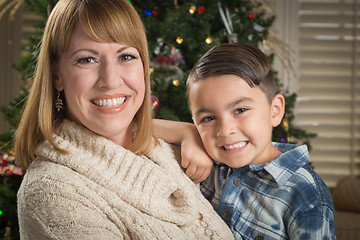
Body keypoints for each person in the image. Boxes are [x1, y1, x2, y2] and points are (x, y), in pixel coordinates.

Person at [14, 0, 235, 239]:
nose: (110, 80)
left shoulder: (166, 152)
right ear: (57, 75)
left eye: (126, 56)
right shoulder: (53, 192)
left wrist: (187, 131)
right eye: (87, 59)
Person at [156, 43, 336, 240]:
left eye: (240, 110)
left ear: (274, 110)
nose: (225, 130)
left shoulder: (305, 193)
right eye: (208, 118)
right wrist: (186, 132)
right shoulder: (203, 156)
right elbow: (132, 128)